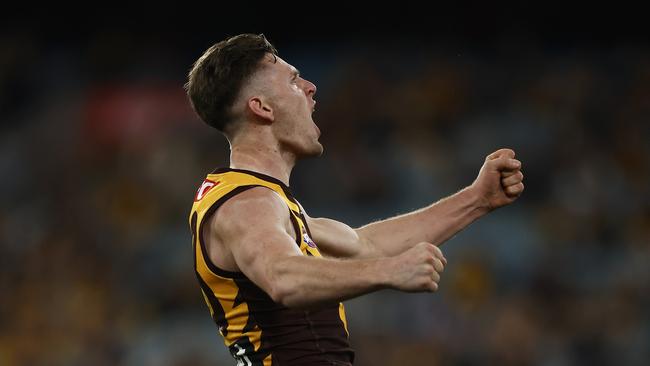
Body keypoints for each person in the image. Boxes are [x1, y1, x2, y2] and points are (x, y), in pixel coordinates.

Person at [184, 34, 524, 366]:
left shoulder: (267, 206)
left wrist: (478, 199)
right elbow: (283, 277)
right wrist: (389, 271)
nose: (310, 87)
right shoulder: (247, 203)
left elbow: (366, 244)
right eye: (292, 81)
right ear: (261, 107)